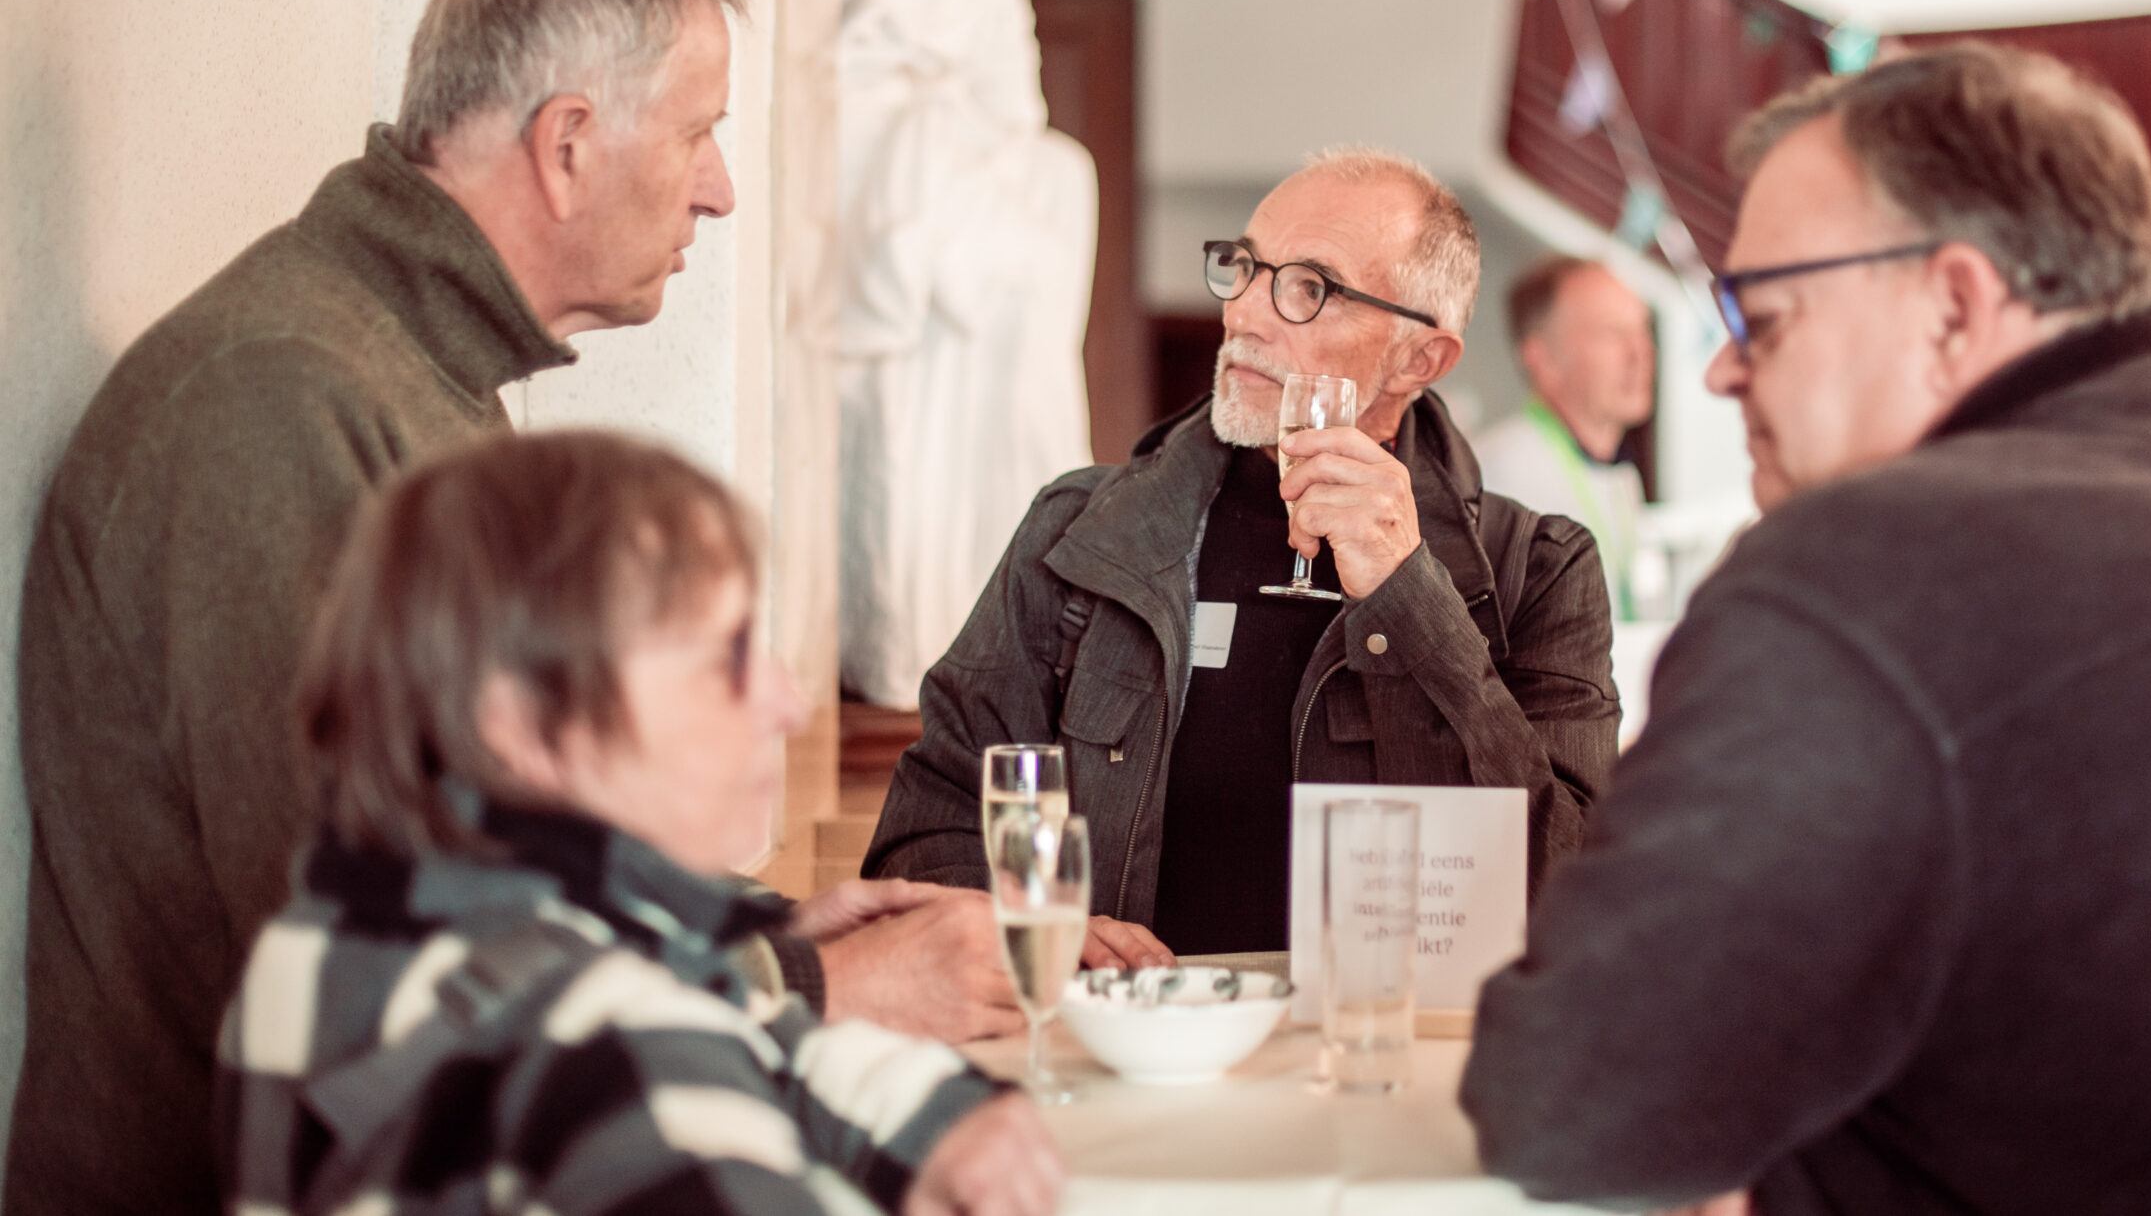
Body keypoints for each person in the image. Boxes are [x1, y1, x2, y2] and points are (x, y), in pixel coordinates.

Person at [11, 0, 1014, 1216]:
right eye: (704, 130)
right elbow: (373, 930)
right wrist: (812, 990)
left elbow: (496, 837)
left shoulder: (403, 368)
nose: (721, 185)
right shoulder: (284, 396)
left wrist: (735, 928)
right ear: (569, 144)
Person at [1463, 44, 2151, 1212]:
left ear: (1953, 304)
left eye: (1761, 316)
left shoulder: (1864, 568)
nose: (1726, 370)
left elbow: (1566, 1100)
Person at [219, 429, 1062, 1216]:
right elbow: (665, 1037)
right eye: (724, 656)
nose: (787, 701)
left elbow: (735, 1020)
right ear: (525, 725)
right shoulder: (613, 1044)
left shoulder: (327, 946)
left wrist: (941, 1115)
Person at [864, 147, 1620, 957]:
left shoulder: (1539, 569)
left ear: (1419, 359)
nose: (1246, 315)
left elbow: (1568, 895)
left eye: (1309, 288)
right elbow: (933, 828)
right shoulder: (1076, 532)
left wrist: (1410, 597)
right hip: (1128, 1056)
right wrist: (1041, 935)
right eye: (1247, 268)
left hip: (1384, 1064)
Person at [1472, 255, 1655, 620]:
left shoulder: (1619, 477)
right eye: (1612, 333)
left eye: (1642, 330)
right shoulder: (1495, 475)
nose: (1641, 353)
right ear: (1543, 360)